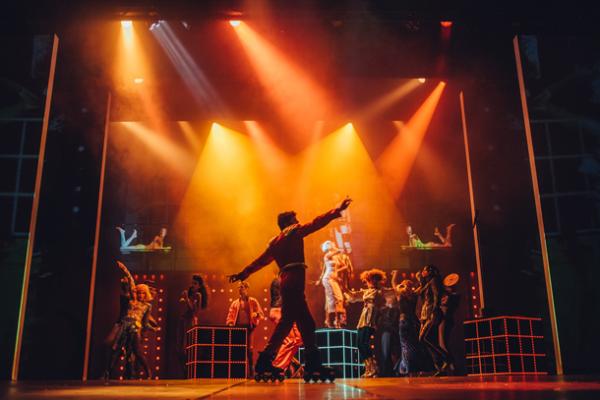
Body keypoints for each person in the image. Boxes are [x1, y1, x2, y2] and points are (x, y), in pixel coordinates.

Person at [228, 196, 352, 380]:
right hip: (294, 281)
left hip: (287, 281)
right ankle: (281, 362)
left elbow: (261, 261)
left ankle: (293, 362)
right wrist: (336, 211)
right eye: (295, 219)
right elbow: (316, 223)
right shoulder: (293, 232)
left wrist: (243, 273)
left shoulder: (275, 242)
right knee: (291, 324)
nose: (298, 221)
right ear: (288, 223)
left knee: (304, 323)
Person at [111, 261, 157, 379]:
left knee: (138, 352)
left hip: (135, 328)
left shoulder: (147, 306)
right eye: (139, 292)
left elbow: (145, 322)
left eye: (143, 293)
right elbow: (131, 282)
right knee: (116, 350)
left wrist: (151, 328)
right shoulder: (132, 301)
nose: (140, 295)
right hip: (124, 326)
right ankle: (106, 373)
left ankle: (148, 373)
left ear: (146, 294)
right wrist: (124, 269)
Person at [346, 268, 390, 378]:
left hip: (371, 317)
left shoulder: (381, 291)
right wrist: (343, 285)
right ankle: (369, 368)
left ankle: (373, 367)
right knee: (359, 343)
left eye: (370, 280)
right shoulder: (366, 291)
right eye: (367, 280)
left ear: (376, 280)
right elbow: (353, 296)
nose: (368, 282)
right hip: (363, 317)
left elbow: (392, 295)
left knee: (364, 342)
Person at [416, 264, 450, 375]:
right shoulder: (428, 282)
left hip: (432, 312)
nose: (422, 271)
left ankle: (446, 359)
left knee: (424, 338)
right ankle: (439, 365)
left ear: (430, 271)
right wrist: (420, 281)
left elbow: (436, 295)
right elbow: (420, 293)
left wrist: (435, 310)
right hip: (426, 313)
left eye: (424, 270)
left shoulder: (434, 281)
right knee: (427, 339)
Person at [226, 281, 264, 375]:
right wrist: (230, 323)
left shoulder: (253, 301)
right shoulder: (235, 303)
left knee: (249, 350)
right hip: (238, 329)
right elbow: (230, 315)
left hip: (249, 328)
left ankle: (251, 371)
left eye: (242, 287)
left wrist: (256, 314)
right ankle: (239, 372)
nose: (240, 289)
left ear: (247, 288)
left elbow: (261, 314)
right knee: (238, 349)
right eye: (239, 287)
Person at [269, 275, 304, 377]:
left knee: (298, 339)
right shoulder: (280, 281)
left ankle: (286, 364)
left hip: (286, 311)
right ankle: (277, 366)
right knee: (290, 340)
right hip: (279, 311)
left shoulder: (286, 281)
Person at [177, 274, 208, 375]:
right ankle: (184, 371)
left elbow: (193, 311)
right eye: (192, 283)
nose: (192, 285)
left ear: (199, 286)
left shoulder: (198, 295)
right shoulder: (190, 294)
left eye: (195, 283)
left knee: (188, 346)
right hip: (183, 320)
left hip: (190, 322)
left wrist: (186, 299)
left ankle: (189, 371)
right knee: (180, 347)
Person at [391, 271, 420, 376]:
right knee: (413, 346)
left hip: (404, 321)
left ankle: (407, 369)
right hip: (413, 322)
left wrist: (394, 274)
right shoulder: (414, 294)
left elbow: (394, 284)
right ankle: (410, 369)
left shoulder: (400, 294)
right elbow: (422, 286)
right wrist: (419, 278)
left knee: (405, 346)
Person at [316, 240, 350, 328]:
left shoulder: (336, 257)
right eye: (330, 244)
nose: (331, 245)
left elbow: (345, 266)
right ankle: (331, 321)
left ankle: (337, 321)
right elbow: (338, 251)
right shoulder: (327, 255)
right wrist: (334, 247)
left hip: (334, 279)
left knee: (340, 297)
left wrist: (336, 271)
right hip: (328, 279)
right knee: (333, 298)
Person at [439, 273, 461, 374]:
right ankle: (450, 366)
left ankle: (449, 364)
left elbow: (446, 305)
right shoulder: (450, 295)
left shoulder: (453, 296)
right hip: (445, 320)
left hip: (445, 320)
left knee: (442, 343)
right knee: (444, 343)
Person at [377, 291, 400, 377]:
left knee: (389, 352)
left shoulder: (393, 310)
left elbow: (391, 321)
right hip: (387, 331)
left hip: (390, 331)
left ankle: (389, 371)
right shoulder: (384, 310)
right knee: (386, 352)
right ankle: (387, 371)